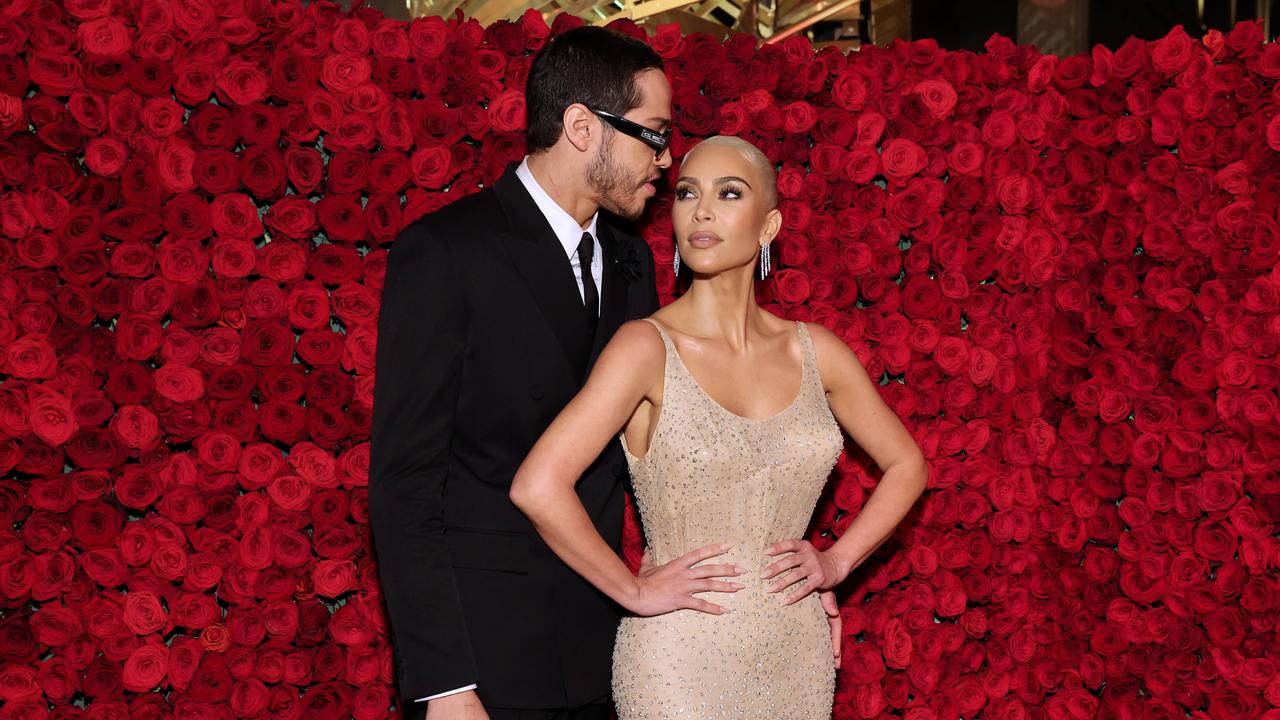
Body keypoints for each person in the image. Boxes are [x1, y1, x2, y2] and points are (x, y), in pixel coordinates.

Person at [510, 135, 930, 718]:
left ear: (769, 225)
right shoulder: (645, 348)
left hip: (796, 654)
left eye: (729, 193)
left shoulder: (817, 352)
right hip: (677, 660)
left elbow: (908, 465)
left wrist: (837, 562)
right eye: (686, 193)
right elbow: (538, 484)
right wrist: (631, 590)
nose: (701, 210)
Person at [368, 26, 680, 720]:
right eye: (653, 134)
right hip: (485, 663)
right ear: (581, 127)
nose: (665, 161)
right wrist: (445, 685)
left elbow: (644, 457)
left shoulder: (633, 263)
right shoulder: (447, 252)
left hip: (601, 653)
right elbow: (404, 484)